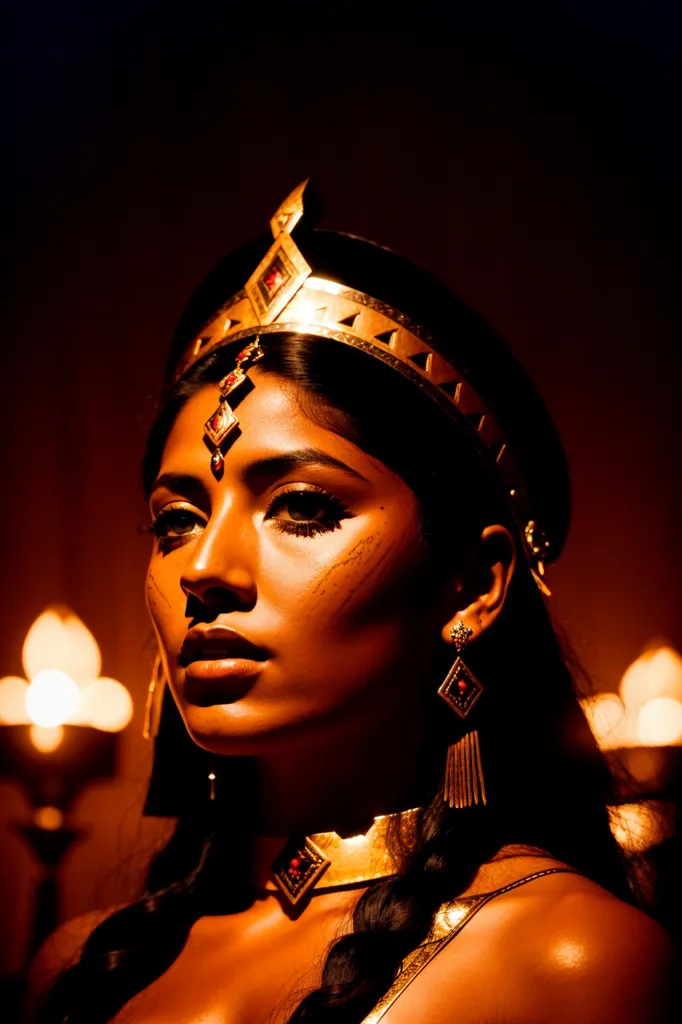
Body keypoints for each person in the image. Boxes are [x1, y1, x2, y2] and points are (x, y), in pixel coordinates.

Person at [29, 181, 674, 1023]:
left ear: (476, 586)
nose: (205, 567)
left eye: (303, 507)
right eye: (177, 520)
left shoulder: (574, 966)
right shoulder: (80, 967)